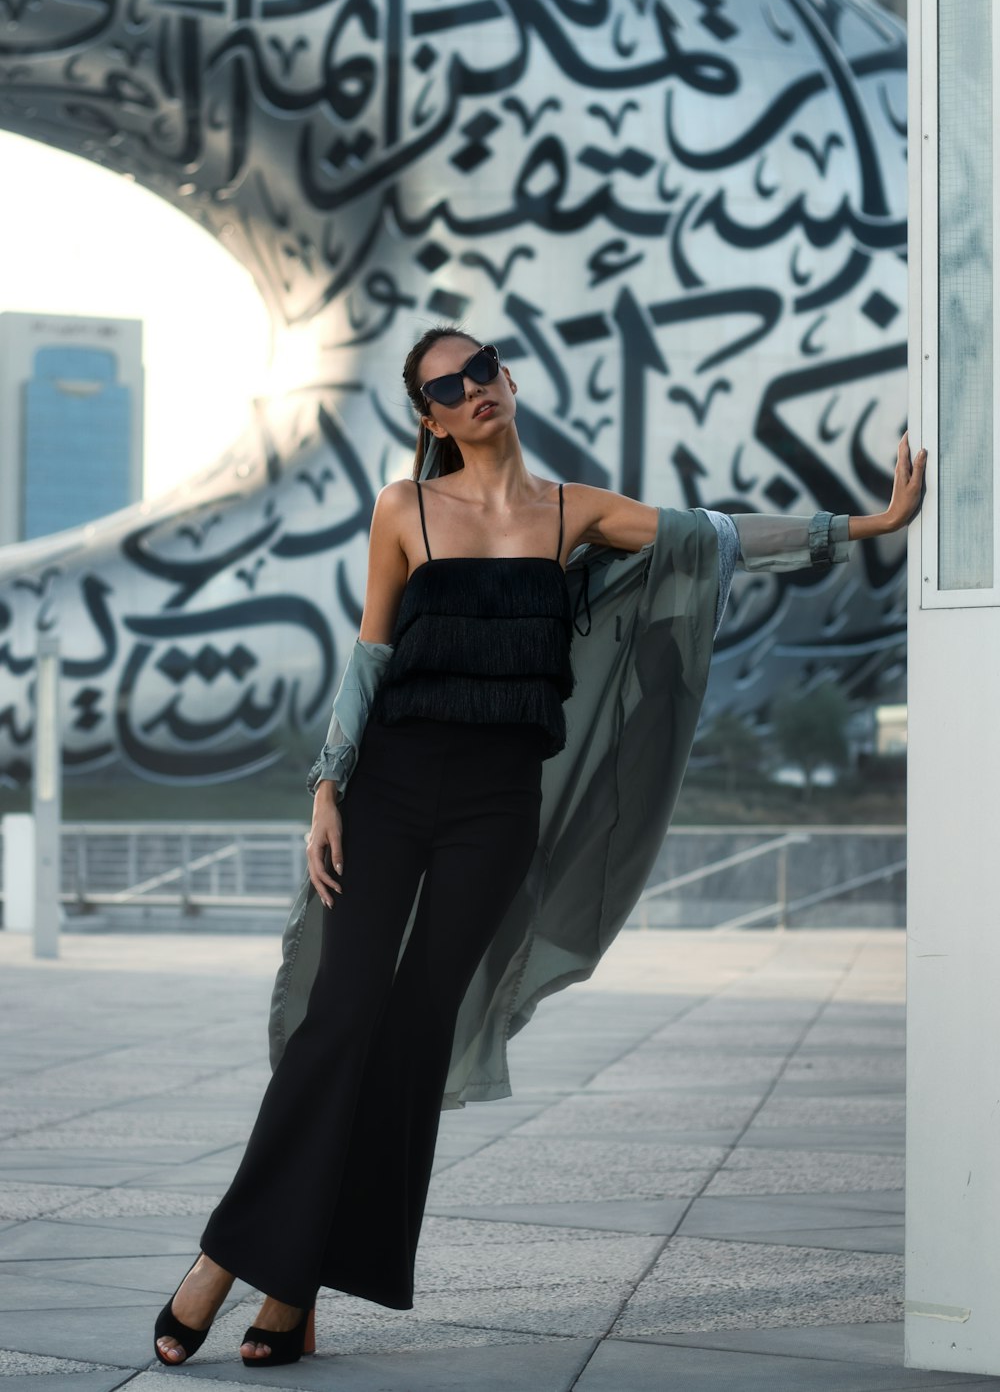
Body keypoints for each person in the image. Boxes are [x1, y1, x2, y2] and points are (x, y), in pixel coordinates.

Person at [153, 327, 926, 1367]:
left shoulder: (574, 514)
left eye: (484, 369)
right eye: (446, 386)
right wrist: (325, 788)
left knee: (416, 1030)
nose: (472, 389)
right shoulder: (404, 509)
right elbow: (370, 653)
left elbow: (715, 537)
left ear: (508, 382)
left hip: (496, 802)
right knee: (339, 1018)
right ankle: (225, 1260)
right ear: (426, 416)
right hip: (387, 789)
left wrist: (865, 524)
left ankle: (294, 1285)